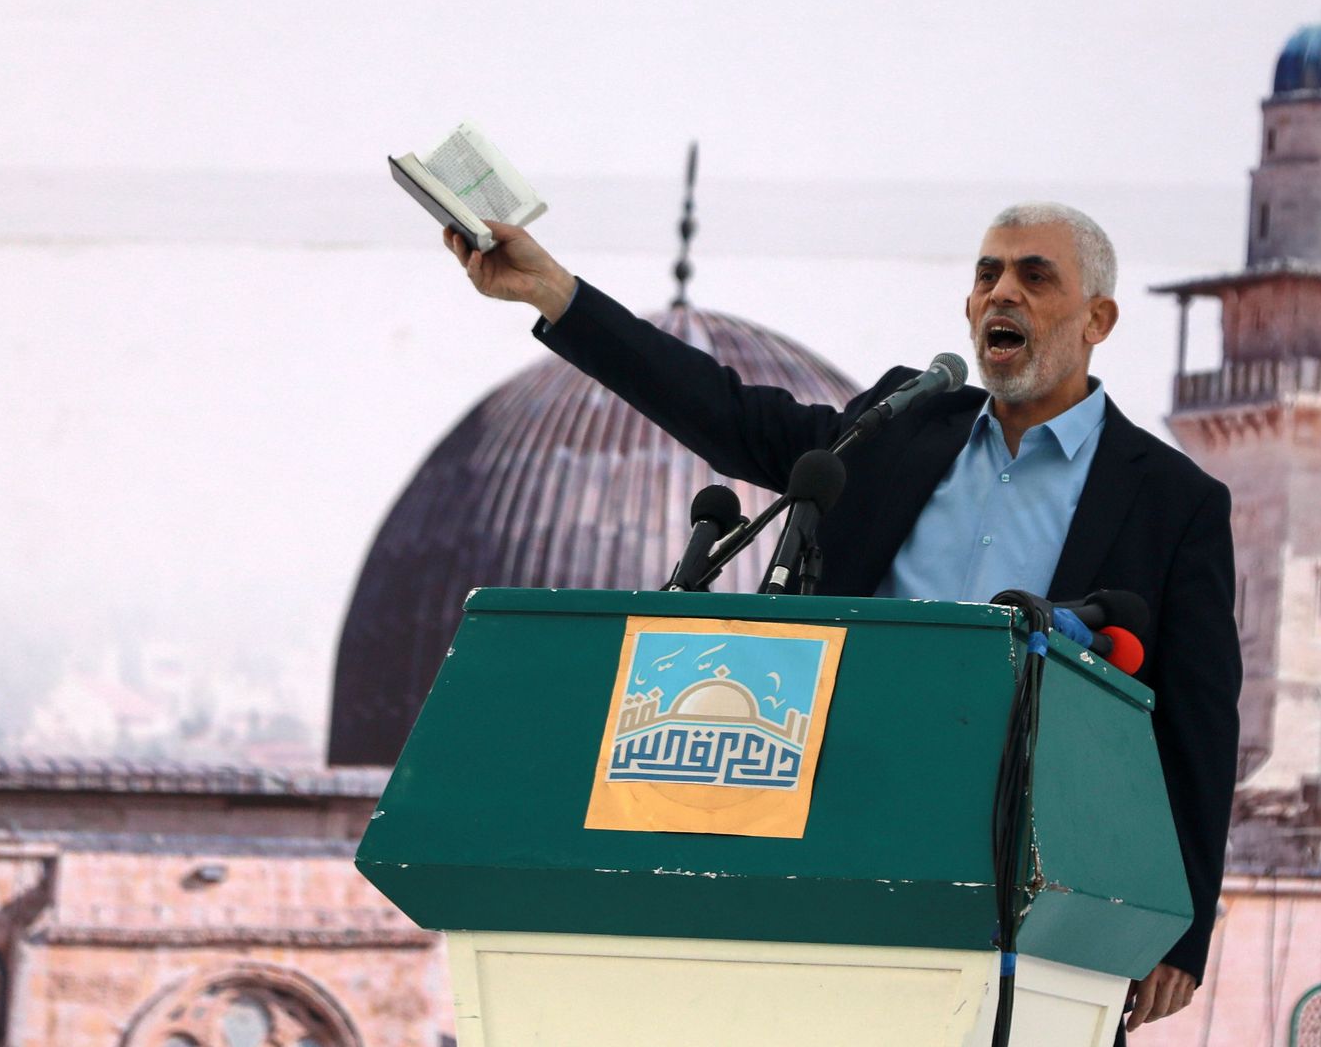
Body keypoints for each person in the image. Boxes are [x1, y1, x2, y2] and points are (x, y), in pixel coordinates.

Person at [443, 202, 1241, 1039]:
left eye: (1034, 277)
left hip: (1020, 871)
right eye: (986, 274)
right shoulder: (901, 424)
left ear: (1097, 319)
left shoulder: (1171, 501)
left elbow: (1198, 725)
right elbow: (730, 415)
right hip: (837, 829)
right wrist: (557, 294)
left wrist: (1179, 932)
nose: (1002, 293)